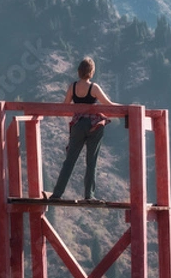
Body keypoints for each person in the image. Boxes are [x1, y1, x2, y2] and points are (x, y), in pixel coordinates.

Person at [50, 56, 119, 203]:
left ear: (79, 71)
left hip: (78, 124)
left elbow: (65, 105)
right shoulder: (94, 87)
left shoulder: (72, 87)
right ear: (91, 72)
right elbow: (108, 104)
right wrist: (125, 109)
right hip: (94, 126)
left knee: (70, 160)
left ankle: (57, 194)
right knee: (91, 160)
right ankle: (89, 195)